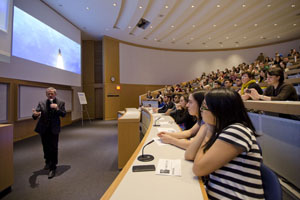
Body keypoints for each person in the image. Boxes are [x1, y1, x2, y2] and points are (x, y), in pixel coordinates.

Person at [185, 88, 264, 199]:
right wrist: (209, 128)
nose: (201, 110)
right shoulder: (221, 130)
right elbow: (189, 155)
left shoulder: (236, 131)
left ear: (219, 109)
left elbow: (198, 169)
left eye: (204, 106)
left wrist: (209, 131)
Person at [32, 87, 66, 179]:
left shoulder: (60, 102)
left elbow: (63, 114)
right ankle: (47, 161)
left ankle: (53, 168)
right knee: (45, 147)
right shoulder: (41, 102)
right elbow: (36, 113)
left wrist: (57, 108)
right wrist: (35, 115)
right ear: (46, 94)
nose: (50, 95)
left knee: (54, 148)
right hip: (43, 128)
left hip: (54, 129)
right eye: (48, 93)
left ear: (55, 94)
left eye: (52, 93)